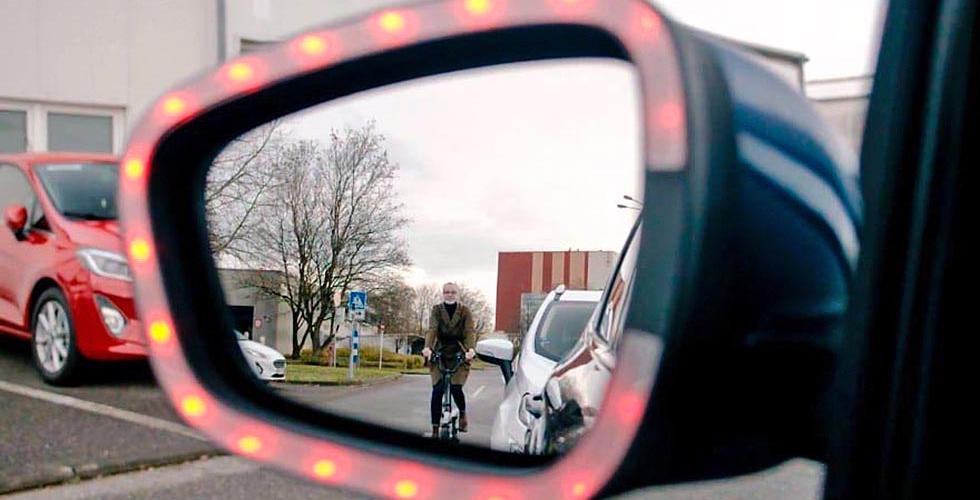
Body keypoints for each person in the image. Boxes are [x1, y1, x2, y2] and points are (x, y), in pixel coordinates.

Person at [422, 282, 477, 437]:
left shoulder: (465, 311)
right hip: (440, 351)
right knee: (437, 390)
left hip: (459, 351)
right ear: (443, 293)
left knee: (455, 387)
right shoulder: (437, 310)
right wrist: (428, 348)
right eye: (446, 292)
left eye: (453, 292)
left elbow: (469, 331)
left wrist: (470, 349)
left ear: (457, 294)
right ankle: (435, 429)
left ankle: (463, 414)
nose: (450, 294)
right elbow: (432, 329)